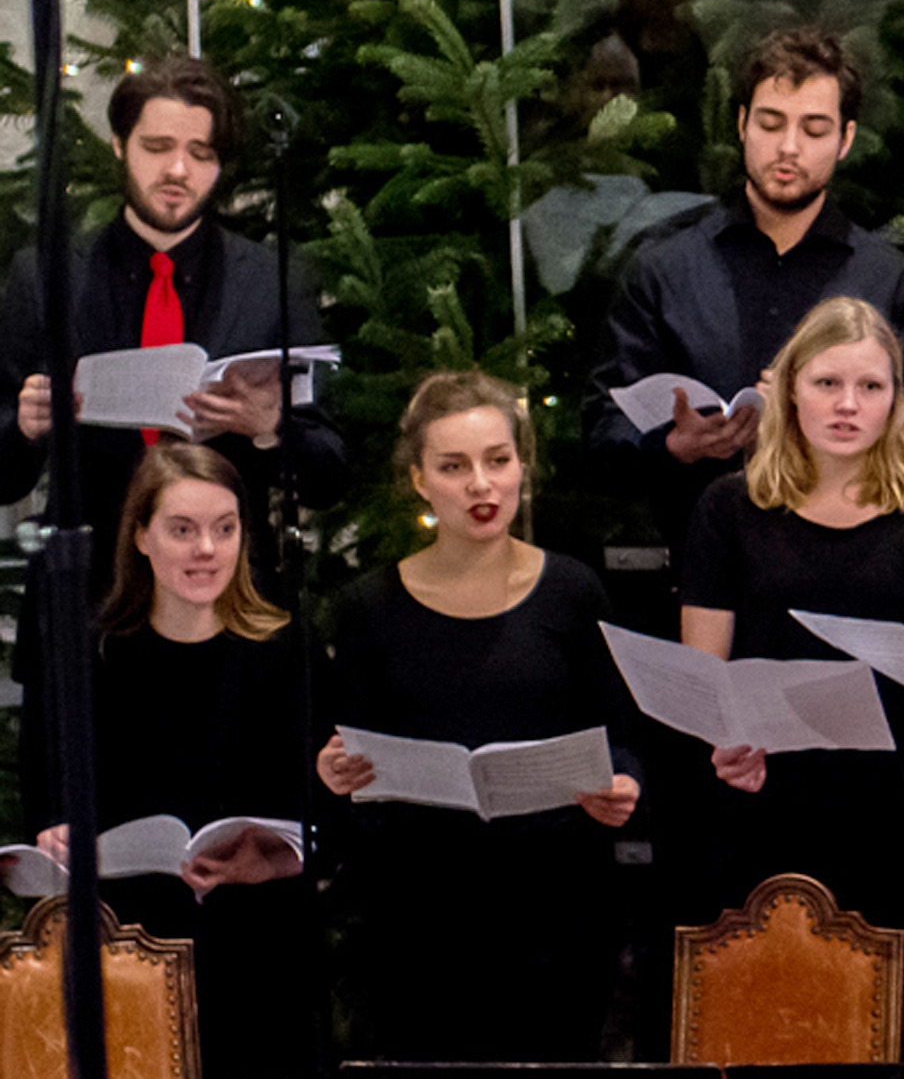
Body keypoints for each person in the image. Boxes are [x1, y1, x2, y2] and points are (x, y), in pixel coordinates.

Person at [1, 55, 348, 833]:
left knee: (232, 839)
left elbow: (329, 466)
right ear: (121, 144)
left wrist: (266, 427)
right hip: (89, 611)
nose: (178, 170)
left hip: (228, 610)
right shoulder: (45, 277)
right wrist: (21, 425)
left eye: (202, 152)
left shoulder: (271, 279)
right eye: (158, 146)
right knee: (90, 854)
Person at [676, 296, 904, 1058]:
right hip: (765, 803)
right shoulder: (731, 507)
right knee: (769, 1029)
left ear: (896, 396)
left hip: (898, 810)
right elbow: (699, 680)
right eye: (826, 383)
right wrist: (724, 744)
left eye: (872, 386)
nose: (849, 405)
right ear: (788, 389)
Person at [315, 371, 641, 1061]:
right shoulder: (365, 608)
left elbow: (621, 738)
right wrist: (333, 770)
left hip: (557, 914)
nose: (481, 485)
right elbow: (339, 761)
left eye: (498, 460)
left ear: (524, 465)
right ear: (419, 479)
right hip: (414, 920)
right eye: (454, 466)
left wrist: (622, 784)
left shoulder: (574, 592)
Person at [587, 27, 904, 562]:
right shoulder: (666, 267)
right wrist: (671, 445)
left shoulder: (890, 283)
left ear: (845, 140)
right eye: (771, 124)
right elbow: (601, 427)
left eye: (814, 130)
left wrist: (822, 421)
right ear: (744, 123)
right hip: (701, 565)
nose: (788, 147)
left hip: (857, 569)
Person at [26, 444, 310, 1079]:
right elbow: (51, 803)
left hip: (255, 949)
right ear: (142, 538)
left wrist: (274, 856)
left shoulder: (283, 653)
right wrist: (58, 840)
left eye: (224, 528)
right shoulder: (96, 658)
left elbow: (321, 814)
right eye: (182, 530)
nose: (206, 549)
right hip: (125, 946)